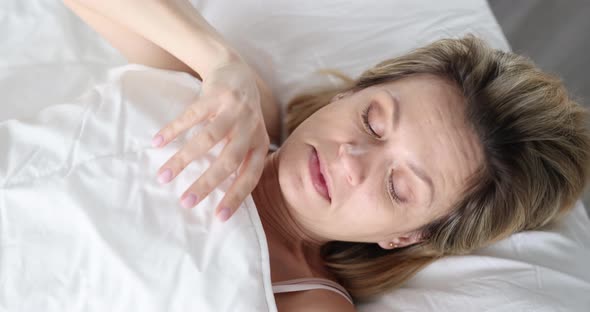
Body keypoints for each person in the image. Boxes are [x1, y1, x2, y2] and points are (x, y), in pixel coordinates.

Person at [64, 0, 590, 311]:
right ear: (351, 93)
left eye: (398, 186)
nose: (352, 159)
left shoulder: (309, 302)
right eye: (373, 120)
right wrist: (218, 60)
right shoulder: (237, 105)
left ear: (405, 236)